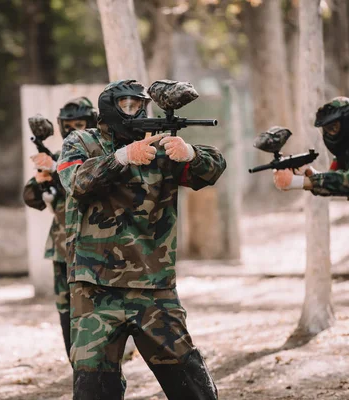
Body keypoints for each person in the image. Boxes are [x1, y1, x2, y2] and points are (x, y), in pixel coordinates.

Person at [57, 79, 225, 399]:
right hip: (95, 288)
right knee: (94, 386)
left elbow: (212, 170)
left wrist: (190, 153)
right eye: (128, 106)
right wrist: (122, 157)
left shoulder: (160, 148)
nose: (136, 112)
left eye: (140, 105)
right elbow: (75, 181)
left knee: (190, 382)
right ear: (109, 108)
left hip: (153, 285)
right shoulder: (82, 141)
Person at [273, 96, 349, 366]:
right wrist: (307, 173)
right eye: (326, 129)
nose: (330, 134)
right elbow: (338, 181)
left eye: (333, 128)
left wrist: (300, 183)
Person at [23, 97, 98, 359]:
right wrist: (40, 178)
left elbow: (83, 183)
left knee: (92, 314)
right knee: (66, 312)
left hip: (92, 249)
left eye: (79, 123)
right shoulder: (55, 159)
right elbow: (32, 199)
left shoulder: (100, 158)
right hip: (62, 248)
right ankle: (76, 365)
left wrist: (55, 169)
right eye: (67, 125)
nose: (72, 130)